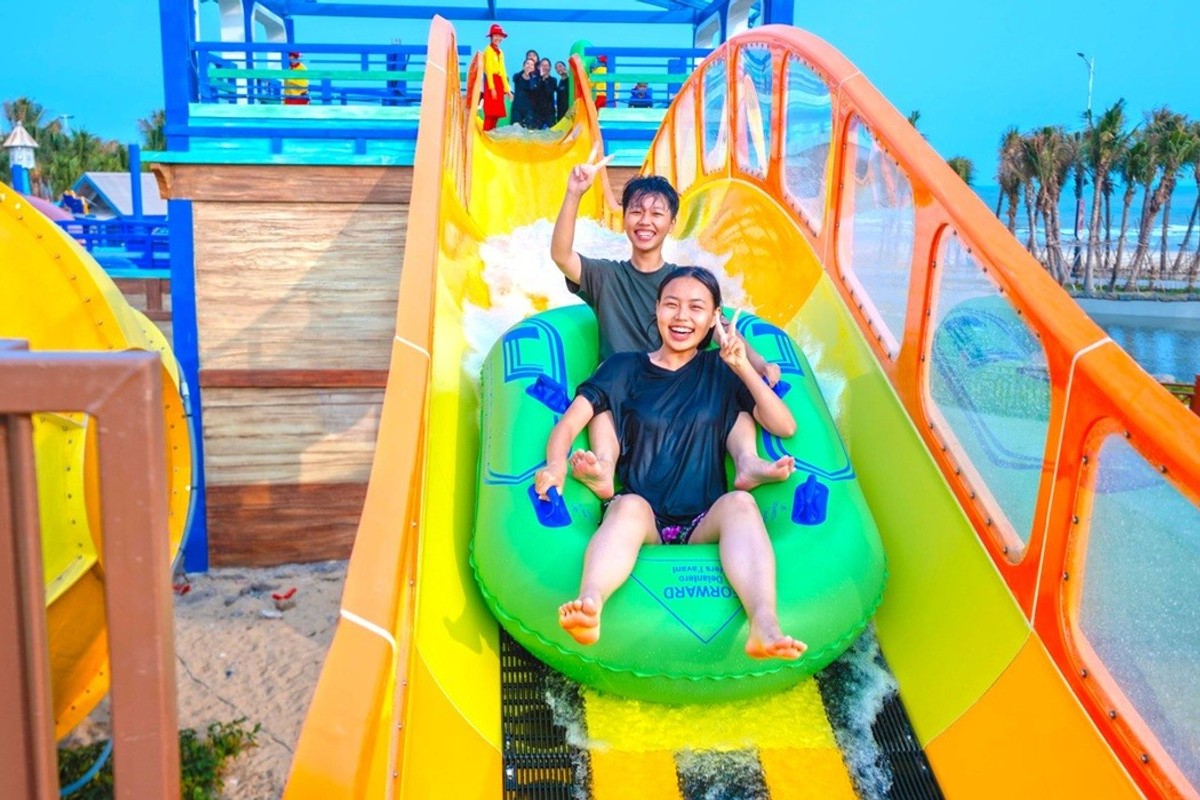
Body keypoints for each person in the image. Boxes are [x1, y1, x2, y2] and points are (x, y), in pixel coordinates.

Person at [535, 267, 806, 661]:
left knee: (742, 504)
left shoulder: (720, 371)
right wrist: (556, 465)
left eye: (697, 308)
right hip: (643, 513)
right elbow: (571, 422)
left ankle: (764, 625)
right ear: (656, 308)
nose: (682, 317)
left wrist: (742, 365)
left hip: (702, 518)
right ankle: (590, 604)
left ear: (714, 318)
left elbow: (785, 424)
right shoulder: (623, 367)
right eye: (672, 305)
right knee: (628, 506)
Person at [550, 150, 793, 501]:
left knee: (728, 387)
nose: (645, 220)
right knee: (603, 396)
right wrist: (574, 192)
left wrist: (758, 364)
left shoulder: (680, 288)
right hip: (626, 390)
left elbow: (722, 330)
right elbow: (561, 256)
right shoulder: (606, 276)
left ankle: (747, 460)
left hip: (677, 386)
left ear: (672, 222)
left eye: (656, 213)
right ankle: (604, 466)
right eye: (636, 210)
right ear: (624, 219)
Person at [481, 24, 512, 131]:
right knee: (490, 112)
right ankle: (486, 131)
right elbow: (488, 71)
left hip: (499, 83)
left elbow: (503, 72)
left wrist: (507, 90)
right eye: (496, 35)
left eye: (500, 36)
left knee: (497, 113)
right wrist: (492, 88)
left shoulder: (501, 52)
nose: (498, 38)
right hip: (491, 82)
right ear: (491, 37)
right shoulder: (488, 51)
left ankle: (492, 131)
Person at [510, 56, 539, 128]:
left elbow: (532, 88)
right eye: (527, 64)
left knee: (528, 131)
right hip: (517, 109)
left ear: (534, 68)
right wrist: (525, 72)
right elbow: (514, 79)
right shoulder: (517, 76)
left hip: (529, 110)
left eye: (532, 65)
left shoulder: (535, 80)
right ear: (523, 66)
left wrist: (529, 75)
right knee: (515, 130)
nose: (529, 66)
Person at [532, 58, 558, 129]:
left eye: (546, 65)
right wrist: (542, 79)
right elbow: (535, 92)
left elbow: (549, 93)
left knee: (552, 134)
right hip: (537, 113)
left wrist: (546, 80)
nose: (545, 67)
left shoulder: (553, 80)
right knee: (536, 135)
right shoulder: (535, 80)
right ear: (539, 67)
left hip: (550, 113)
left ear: (550, 67)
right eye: (543, 65)